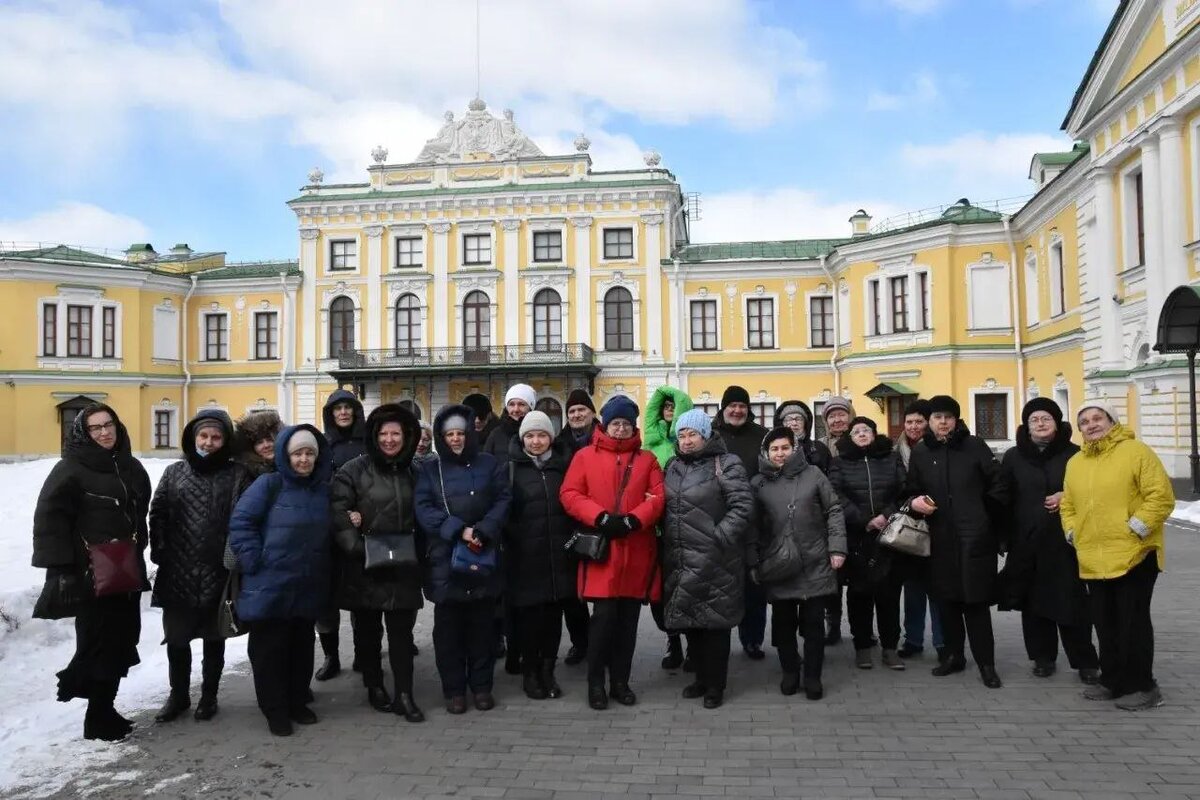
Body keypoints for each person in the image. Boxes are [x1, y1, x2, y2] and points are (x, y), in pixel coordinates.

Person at [32, 404, 152, 742]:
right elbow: (49, 523)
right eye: (95, 428)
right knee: (98, 643)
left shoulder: (130, 467)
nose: (104, 432)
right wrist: (60, 570)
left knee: (123, 640)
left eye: (108, 424)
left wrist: (137, 546)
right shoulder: (70, 470)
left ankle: (106, 707)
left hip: (123, 571)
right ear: (83, 433)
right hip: (89, 576)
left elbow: (138, 513)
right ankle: (94, 715)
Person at [1061, 400, 1174, 711]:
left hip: (1134, 554)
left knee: (1132, 622)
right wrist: (1072, 531)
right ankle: (1112, 680)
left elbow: (1160, 495)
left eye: (1098, 418)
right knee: (1104, 621)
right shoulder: (1076, 462)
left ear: (1112, 421)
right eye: (1084, 421)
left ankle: (1144, 686)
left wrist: (1136, 527)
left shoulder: (1136, 452)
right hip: (1093, 557)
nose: (1092, 425)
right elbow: (1067, 504)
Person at [560, 394, 665, 710]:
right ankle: (596, 683)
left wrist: (635, 519)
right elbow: (569, 493)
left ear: (633, 427)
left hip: (635, 551)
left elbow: (659, 497)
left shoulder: (646, 460)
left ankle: (621, 681)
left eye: (626, 424)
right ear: (605, 425)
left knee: (628, 624)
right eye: (615, 424)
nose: (620, 429)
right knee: (603, 623)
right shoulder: (584, 457)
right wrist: (600, 516)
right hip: (603, 554)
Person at [228, 424, 333, 736]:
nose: (303, 460)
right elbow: (242, 521)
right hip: (268, 583)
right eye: (297, 453)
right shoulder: (268, 484)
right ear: (285, 456)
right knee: (269, 651)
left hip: (305, 582)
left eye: (309, 454)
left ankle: (298, 700)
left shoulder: (322, 489)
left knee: (301, 647)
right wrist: (253, 559)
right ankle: (275, 709)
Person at [149, 409, 252, 723]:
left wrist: (233, 557)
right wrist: (161, 549)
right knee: (177, 639)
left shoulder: (237, 475)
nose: (208, 442)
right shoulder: (174, 472)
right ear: (193, 438)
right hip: (177, 570)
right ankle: (178, 695)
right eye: (203, 436)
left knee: (213, 638)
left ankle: (209, 697)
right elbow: (158, 512)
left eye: (216, 437)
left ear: (225, 441)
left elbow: (243, 518)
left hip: (217, 570)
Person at [330, 404, 427, 723]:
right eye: (383, 433)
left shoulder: (416, 471)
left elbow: (427, 513)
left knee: (402, 635)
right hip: (365, 567)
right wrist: (359, 548)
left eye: (395, 433)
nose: (389, 439)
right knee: (368, 634)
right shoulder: (353, 470)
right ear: (374, 435)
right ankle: (374, 685)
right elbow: (340, 514)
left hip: (403, 565)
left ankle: (405, 693)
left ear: (407, 435)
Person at [414, 405, 512, 714]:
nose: (455, 439)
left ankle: (481, 687)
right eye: (449, 434)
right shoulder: (431, 469)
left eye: (460, 433)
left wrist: (485, 528)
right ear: (442, 438)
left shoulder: (488, 463)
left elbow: (503, 498)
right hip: (446, 560)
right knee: (448, 635)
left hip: (482, 554)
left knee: (483, 632)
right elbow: (424, 508)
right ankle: (454, 690)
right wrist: (457, 530)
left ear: (470, 434)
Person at [907, 395, 1008, 689]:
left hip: (974, 537)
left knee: (975, 602)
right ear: (930, 422)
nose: (942, 422)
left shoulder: (974, 446)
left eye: (948, 417)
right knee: (946, 601)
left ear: (956, 420)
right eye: (937, 417)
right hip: (939, 538)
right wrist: (916, 502)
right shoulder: (923, 452)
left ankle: (986, 664)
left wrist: (984, 516)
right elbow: (911, 489)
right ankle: (953, 657)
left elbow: (998, 484)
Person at [999, 398, 1099, 684]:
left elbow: (1092, 489)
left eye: (1046, 419)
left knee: (1073, 603)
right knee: (1033, 604)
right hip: (1026, 540)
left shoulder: (1075, 454)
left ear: (1057, 423)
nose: (1040, 424)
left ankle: (1085, 662)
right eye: (1034, 420)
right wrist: (1003, 537)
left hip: (1066, 541)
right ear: (1026, 425)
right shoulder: (1014, 457)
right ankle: (1042, 658)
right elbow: (1003, 497)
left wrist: (1067, 497)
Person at [661, 409, 753, 709]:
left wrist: (720, 536)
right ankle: (700, 678)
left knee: (715, 625)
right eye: (682, 435)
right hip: (682, 558)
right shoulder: (672, 466)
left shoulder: (726, 463)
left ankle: (716, 685)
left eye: (693, 434)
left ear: (706, 435)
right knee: (692, 623)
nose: (687, 441)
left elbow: (742, 506)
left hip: (717, 559)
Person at [750, 427, 846, 701]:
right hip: (779, 564)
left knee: (814, 623)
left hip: (815, 560)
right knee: (783, 623)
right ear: (766, 453)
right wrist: (753, 559)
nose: (780, 454)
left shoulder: (814, 474)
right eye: (774, 449)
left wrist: (837, 548)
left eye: (785, 447)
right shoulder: (758, 483)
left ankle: (813, 677)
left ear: (795, 448)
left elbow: (834, 510)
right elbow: (752, 526)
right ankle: (790, 671)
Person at [503, 411, 576, 700]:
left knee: (553, 621)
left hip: (559, 557)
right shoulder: (511, 469)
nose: (536, 441)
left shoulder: (563, 468)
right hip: (525, 558)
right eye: (530, 436)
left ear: (551, 438)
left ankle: (549, 671)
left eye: (542, 435)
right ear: (523, 438)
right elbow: (503, 511)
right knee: (530, 621)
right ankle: (530, 672)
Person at [829, 417, 909, 671]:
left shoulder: (890, 457)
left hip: (889, 535)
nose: (861, 434)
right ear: (849, 437)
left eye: (866, 430)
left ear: (874, 434)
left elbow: (903, 490)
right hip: (858, 536)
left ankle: (889, 648)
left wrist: (885, 515)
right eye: (856, 431)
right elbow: (835, 495)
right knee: (859, 594)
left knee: (889, 594)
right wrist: (864, 520)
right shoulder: (840, 462)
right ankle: (862, 647)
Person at [711, 385, 769, 661]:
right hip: (719, 519)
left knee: (754, 584)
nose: (737, 410)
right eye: (732, 405)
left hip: (755, 520)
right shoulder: (710, 436)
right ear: (723, 408)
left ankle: (753, 639)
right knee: (718, 584)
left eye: (742, 406)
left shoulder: (761, 437)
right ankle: (713, 639)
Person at [316, 389, 368, 681]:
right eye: (338, 409)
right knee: (327, 598)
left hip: (362, 526)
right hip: (330, 528)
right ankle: (331, 656)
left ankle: (363, 653)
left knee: (361, 595)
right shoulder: (324, 446)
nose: (344, 413)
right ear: (331, 414)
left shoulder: (367, 443)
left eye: (348, 407)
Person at [643, 384, 694, 671]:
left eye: (675, 407)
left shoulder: (688, 443)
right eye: (665, 407)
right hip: (656, 531)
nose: (670, 412)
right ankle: (672, 641)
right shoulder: (649, 445)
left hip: (685, 529)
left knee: (685, 589)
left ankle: (693, 646)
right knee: (659, 593)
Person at [894, 399, 944, 659]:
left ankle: (942, 641)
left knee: (937, 587)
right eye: (909, 421)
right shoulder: (897, 451)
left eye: (919, 421)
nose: (913, 426)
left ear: (929, 422)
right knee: (913, 587)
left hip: (938, 524)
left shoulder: (940, 449)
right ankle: (913, 639)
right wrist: (908, 502)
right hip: (909, 526)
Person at [555, 387, 599, 665]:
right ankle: (580, 642)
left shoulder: (605, 438)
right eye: (572, 411)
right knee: (572, 593)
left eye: (582, 409)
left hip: (601, 522)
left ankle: (602, 641)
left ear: (592, 413)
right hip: (569, 524)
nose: (577, 414)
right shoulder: (559, 444)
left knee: (603, 591)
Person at [819, 396, 855, 645]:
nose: (837, 419)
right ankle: (833, 625)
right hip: (828, 519)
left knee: (860, 580)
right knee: (833, 577)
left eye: (842, 414)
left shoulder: (862, 438)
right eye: (832, 416)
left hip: (857, 520)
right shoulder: (819, 446)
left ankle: (862, 628)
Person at [776, 400, 831, 475]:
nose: (794, 423)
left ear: (805, 423)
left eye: (799, 419)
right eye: (789, 419)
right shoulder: (774, 450)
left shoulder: (819, 448)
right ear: (782, 423)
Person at [483, 383, 536, 460]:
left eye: (521, 404)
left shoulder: (539, 433)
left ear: (530, 407)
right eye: (511, 404)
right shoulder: (496, 434)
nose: (516, 409)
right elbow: (486, 464)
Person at [235, 410, 283, 478]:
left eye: (270, 440)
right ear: (251, 447)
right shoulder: (244, 473)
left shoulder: (294, 465)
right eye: (259, 442)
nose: (266, 445)